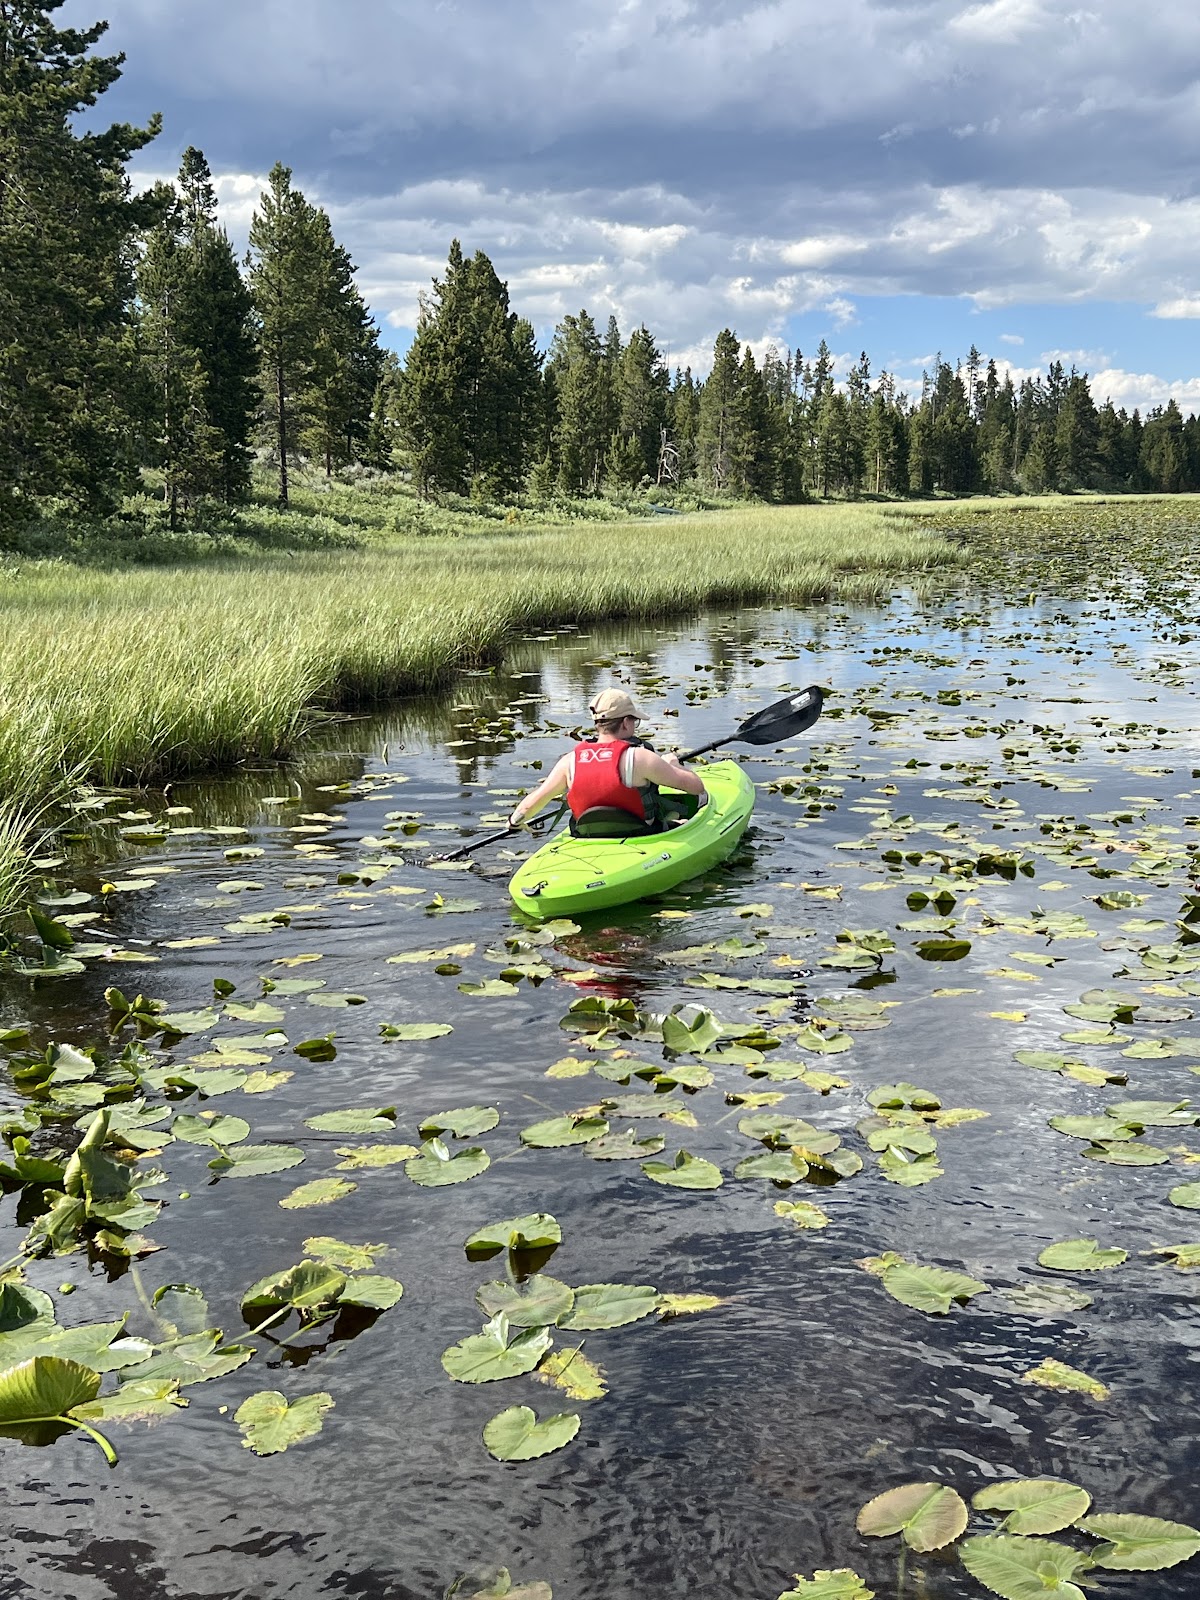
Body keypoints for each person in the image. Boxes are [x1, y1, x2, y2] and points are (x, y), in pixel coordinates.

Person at [507, 688, 708, 836]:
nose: (635, 726)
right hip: (641, 833)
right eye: (634, 721)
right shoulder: (641, 757)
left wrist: (514, 821)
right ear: (626, 722)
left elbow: (533, 802)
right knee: (679, 818)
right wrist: (673, 764)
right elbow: (696, 787)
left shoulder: (569, 761)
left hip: (586, 835)